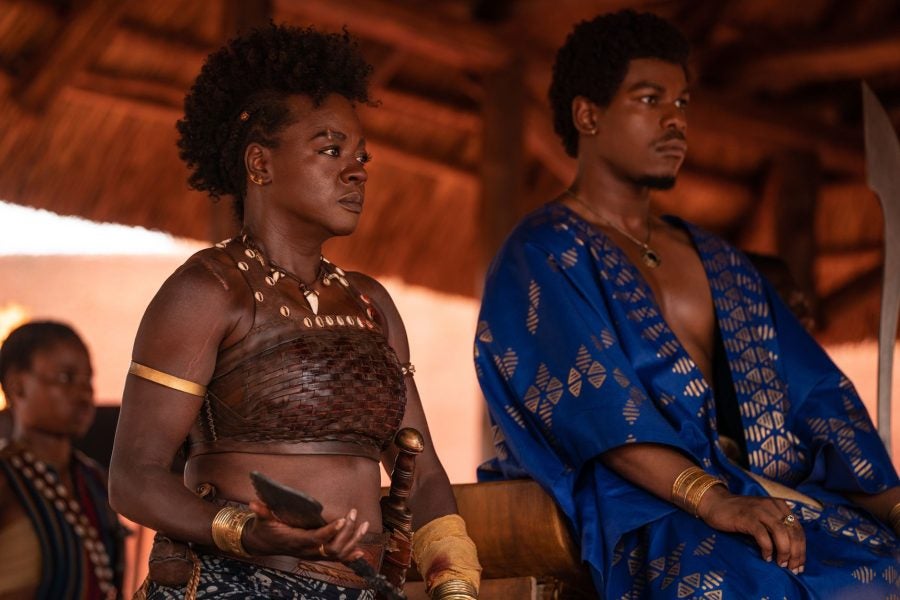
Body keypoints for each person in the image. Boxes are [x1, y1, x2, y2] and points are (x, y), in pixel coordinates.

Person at [474, 10, 899, 599]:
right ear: (588, 115)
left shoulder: (719, 259)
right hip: (632, 509)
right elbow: (596, 409)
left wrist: (894, 506)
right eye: (650, 100)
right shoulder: (542, 253)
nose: (675, 120)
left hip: (756, 495)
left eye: (682, 103)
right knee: (752, 584)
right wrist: (712, 499)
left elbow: (817, 399)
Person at [108, 24, 480, 600]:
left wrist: (454, 582)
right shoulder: (209, 290)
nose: (357, 170)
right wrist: (246, 532)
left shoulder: (371, 304)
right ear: (260, 164)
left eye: (360, 156)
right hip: (232, 585)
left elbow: (425, 473)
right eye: (330, 150)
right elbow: (134, 476)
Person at [0, 321, 125, 599]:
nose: (84, 394)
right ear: (18, 387)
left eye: (88, 380)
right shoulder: (6, 477)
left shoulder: (94, 480)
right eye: (66, 378)